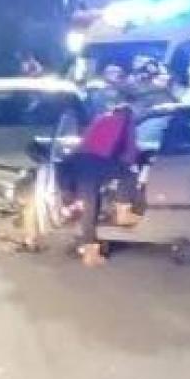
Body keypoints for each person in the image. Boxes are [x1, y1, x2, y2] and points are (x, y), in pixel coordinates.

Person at [57, 104, 141, 266]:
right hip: (96, 163)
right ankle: (123, 210)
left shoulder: (100, 119)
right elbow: (130, 153)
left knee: (89, 207)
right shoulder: (126, 121)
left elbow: (86, 143)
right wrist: (130, 161)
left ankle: (89, 254)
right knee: (130, 173)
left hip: (75, 163)